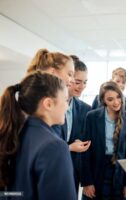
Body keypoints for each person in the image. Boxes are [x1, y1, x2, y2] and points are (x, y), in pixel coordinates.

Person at [0, 71, 76, 200]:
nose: (67, 106)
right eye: (65, 100)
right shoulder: (55, 146)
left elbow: (11, 193)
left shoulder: (16, 133)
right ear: (48, 104)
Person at [27, 49, 90, 153]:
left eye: (85, 82)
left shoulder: (84, 108)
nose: (72, 81)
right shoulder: (38, 105)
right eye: (70, 75)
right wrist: (67, 148)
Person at [81, 81, 126, 200]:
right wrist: (87, 182)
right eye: (110, 99)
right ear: (103, 101)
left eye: (118, 97)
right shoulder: (91, 117)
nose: (116, 102)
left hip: (119, 173)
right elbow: (85, 152)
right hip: (97, 171)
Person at [66, 55, 92, 193]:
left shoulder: (86, 109)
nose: (82, 87)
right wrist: (69, 147)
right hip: (50, 167)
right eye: (77, 82)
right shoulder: (50, 105)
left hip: (73, 172)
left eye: (85, 82)